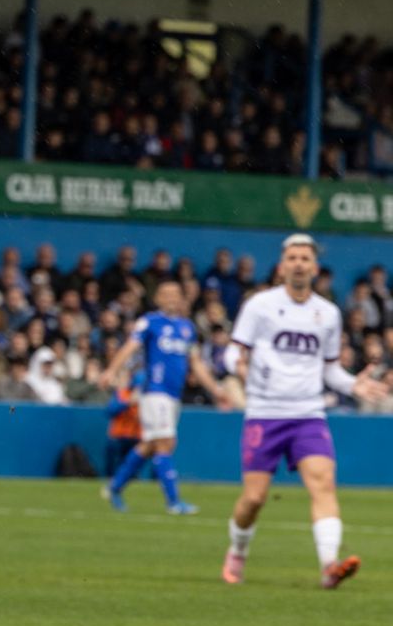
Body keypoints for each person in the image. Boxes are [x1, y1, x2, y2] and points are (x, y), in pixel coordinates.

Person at [222, 234, 388, 588]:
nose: (298, 263)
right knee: (253, 499)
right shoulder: (260, 305)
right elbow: (232, 351)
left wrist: (352, 385)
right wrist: (238, 365)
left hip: (308, 414)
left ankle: (330, 566)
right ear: (282, 266)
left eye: (305, 258)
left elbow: (329, 370)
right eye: (292, 258)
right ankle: (237, 551)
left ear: (314, 267)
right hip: (265, 413)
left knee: (323, 484)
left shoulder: (327, 313)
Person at [97, 279, 226, 514]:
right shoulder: (150, 322)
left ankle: (115, 487)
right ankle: (174, 502)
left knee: (150, 445)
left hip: (173, 394)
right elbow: (130, 347)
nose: (171, 298)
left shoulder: (187, 328)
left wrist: (215, 389)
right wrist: (111, 371)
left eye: (175, 294)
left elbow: (196, 363)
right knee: (165, 444)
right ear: (157, 298)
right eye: (166, 294)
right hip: (155, 391)